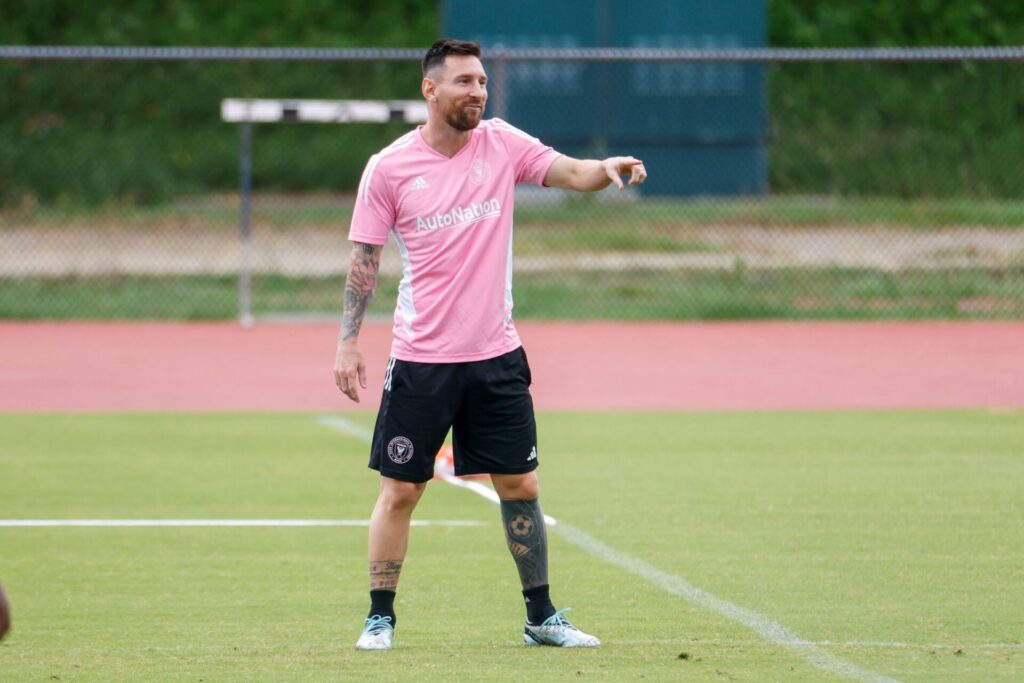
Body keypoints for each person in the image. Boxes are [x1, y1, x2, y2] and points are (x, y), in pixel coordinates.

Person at [333, 38, 646, 651]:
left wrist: (603, 169)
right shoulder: (389, 167)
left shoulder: (501, 143)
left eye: (481, 82)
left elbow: (569, 172)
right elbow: (363, 261)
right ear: (431, 90)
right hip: (422, 361)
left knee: (521, 487)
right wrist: (347, 342)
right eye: (464, 82)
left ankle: (541, 617)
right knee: (401, 491)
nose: (477, 91)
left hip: (496, 358)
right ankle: (380, 617)